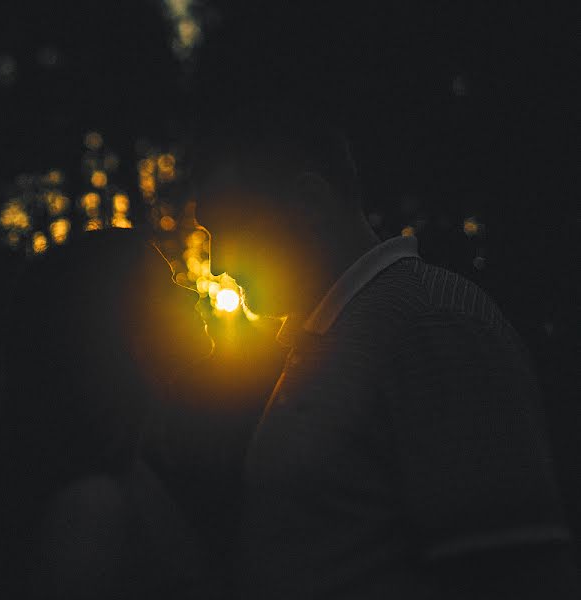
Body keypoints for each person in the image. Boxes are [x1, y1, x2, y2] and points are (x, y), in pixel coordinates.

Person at [187, 23, 581, 598]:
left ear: (310, 204)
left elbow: (513, 572)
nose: (218, 261)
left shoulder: (432, 327)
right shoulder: (341, 336)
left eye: (229, 230)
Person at [0, 229, 214, 599]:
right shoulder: (91, 508)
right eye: (166, 286)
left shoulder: (139, 464)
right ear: (121, 324)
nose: (192, 292)